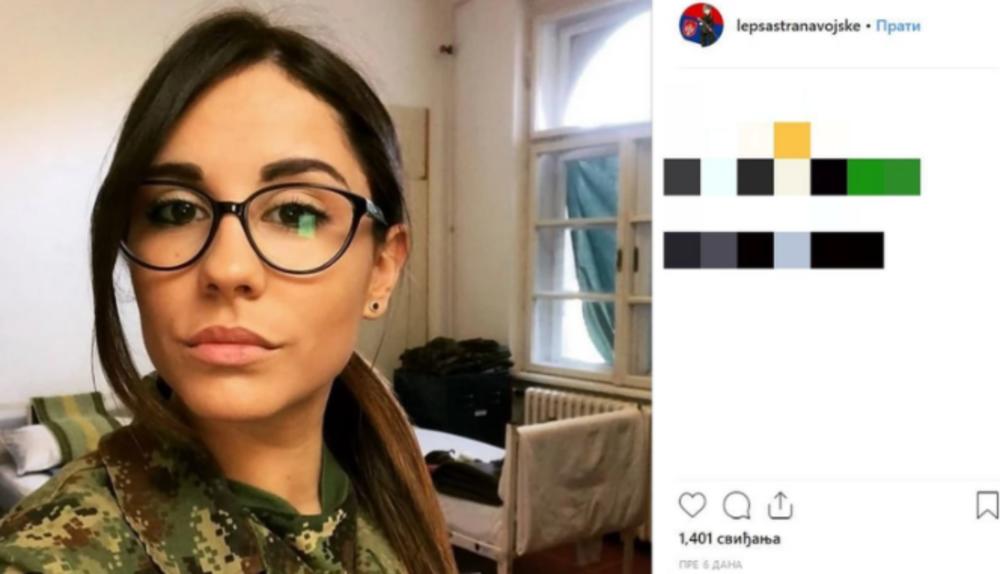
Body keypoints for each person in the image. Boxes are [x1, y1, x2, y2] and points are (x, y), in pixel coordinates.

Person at [0, 7, 458, 574]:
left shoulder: (389, 491)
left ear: (382, 268)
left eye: (295, 212)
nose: (226, 267)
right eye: (176, 210)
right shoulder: (58, 555)